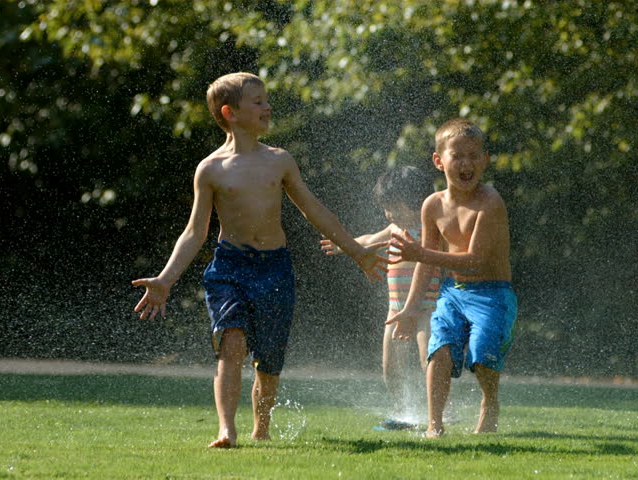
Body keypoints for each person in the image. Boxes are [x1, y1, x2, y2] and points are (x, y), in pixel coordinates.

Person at [131, 72, 388, 448]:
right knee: (230, 343)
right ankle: (226, 429)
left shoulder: (279, 161)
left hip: (274, 267)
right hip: (229, 267)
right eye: (258, 102)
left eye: (266, 100)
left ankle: (261, 427)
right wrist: (166, 279)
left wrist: (358, 251)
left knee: (268, 358)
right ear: (230, 113)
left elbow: (314, 211)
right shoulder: (211, 169)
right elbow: (194, 232)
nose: (268, 107)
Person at [386, 118, 517, 438]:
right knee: (439, 349)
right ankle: (435, 424)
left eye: (474, 156)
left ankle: (489, 401)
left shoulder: (490, 202)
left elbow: (474, 260)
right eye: (457, 156)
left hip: (492, 292)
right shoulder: (432, 205)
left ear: (485, 161)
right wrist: (409, 308)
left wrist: (420, 254)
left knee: (481, 351)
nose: (466, 163)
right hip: (452, 291)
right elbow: (426, 266)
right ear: (438, 160)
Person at [320, 166, 440, 429]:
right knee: (391, 366)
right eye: (386, 208)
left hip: (427, 308)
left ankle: (439, 411)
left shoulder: (432, 229)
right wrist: (345, 245)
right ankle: (401, 412)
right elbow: (369, 240)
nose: (390, 214)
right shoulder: (395, 228)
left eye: (395, 207)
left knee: (428, 360)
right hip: (395, 309)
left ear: (417, 202)